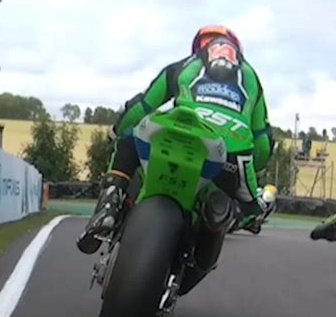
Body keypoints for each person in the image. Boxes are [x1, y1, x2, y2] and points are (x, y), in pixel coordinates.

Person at [77, 25, 274, 266]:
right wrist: (256, 168)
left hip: (178, 130)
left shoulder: (185, 65)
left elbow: (142, 106)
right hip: (231, 151)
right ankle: (217, 219)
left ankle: (107, 208)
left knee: (128, 140)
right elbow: (263, 142)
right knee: (248, 208)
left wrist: (115, 133)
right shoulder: (252, 78)